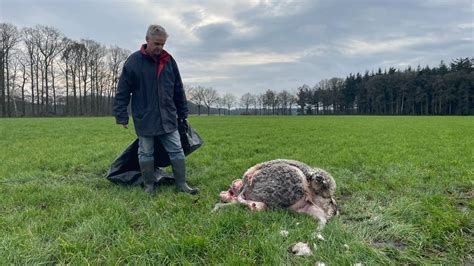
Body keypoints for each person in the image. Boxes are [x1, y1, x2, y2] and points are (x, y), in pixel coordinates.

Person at [113, 24, 198, 195]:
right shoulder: (133, 62)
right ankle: (149, 186)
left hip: (168, 117)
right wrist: (121, 116)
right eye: (156, 44)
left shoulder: (169, 61)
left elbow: (178, 90)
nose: (159, 48)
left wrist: (183, 114)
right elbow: (122, 91)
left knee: (177, 150)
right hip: (145, 118)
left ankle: (181, 184)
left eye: (162, 44)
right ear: (147, 40)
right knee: (146, 152)